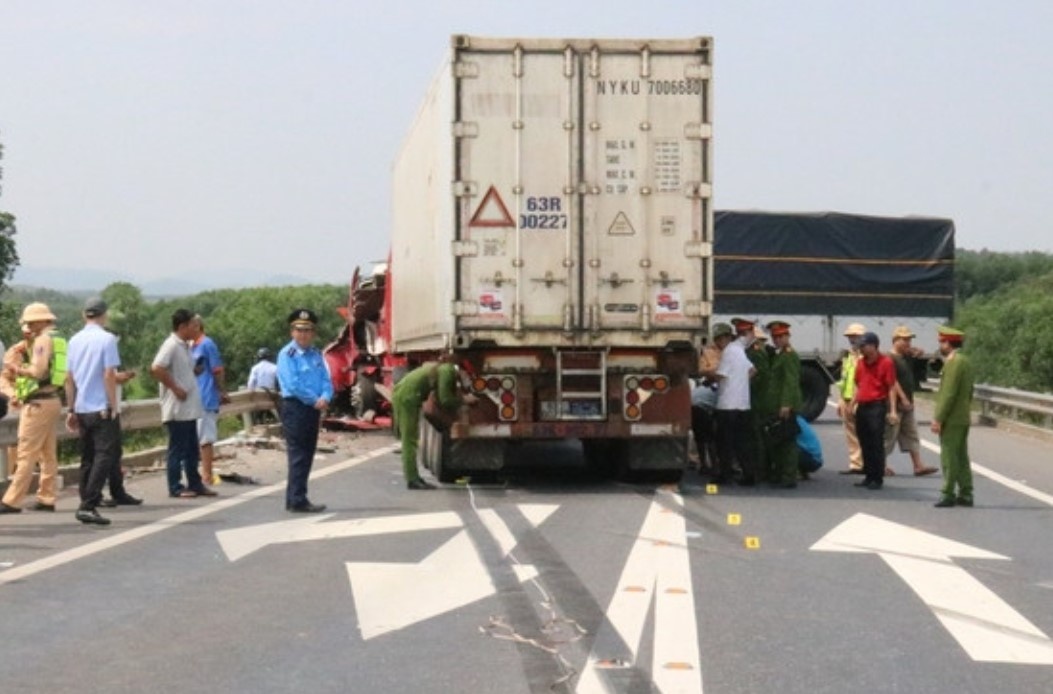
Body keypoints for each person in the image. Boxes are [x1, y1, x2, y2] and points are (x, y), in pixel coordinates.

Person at [63, 298, 126, 525]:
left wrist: (71, 408)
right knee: (104, 455)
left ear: (84, 315)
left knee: (88, 457)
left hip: (81, 407)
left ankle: (86, 499)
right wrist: (112, 404)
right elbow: (109, 374)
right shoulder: (107, 339)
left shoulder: (74, 340)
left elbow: (68, 378)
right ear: (104, 315)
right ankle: (88, 504)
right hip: (101, 407)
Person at [0, 303, 63, 515]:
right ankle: (47, 496)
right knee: (47, 452)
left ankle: (12, 501)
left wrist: (17, 369)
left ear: (41, 321)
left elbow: (37, 371)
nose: (29, 326)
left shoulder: (42, 341)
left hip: (38, 402)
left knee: (26, 452)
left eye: (31, 322)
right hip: (52, 399)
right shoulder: (57, 338)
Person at [151, 309, 216, 499]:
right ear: (182, 327)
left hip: (189, 408)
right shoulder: (171, 345)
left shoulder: (185, 346)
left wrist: (194, 371)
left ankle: (195, 483)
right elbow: (156, 368)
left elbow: (180, 371)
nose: (195, 329)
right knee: (177, 450)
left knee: (191, 449)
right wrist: (175, 388)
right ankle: (175, 486)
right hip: (177, 408)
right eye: (192, 326)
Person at [391, 356, 476, 489]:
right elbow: (445, 400)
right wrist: (464, 400)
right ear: (462, 370)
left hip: (406, 394)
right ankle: (412, 479)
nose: (467, 379)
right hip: (406, 397)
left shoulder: (444, 369)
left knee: (410, 438)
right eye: (467, 375)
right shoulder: (447, 371)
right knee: (410, 440)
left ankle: (413, 477)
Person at [277, 308, 332, 512]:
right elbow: (292, 384)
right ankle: (296, 499)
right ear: (292, 332)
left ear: (313, 332)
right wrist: (314, 399)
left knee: (307, 454)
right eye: (299, 330)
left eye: (307, 330)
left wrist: (326, 396)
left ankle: (296, 497)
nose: (303, 334)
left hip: (313, 408)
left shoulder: (316, 354)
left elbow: (326, 379)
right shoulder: (287, 354)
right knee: (298, 454)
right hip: (296, 408)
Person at [931, 327, 976, 508]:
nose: (940, 345)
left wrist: (938, 418)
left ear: (948, 343)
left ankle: (947, 493)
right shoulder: (965, 361)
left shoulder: (953, 362)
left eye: (942, 342)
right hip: (962, 416)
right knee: (961, 456)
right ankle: (966, 493)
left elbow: (948, 393)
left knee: (949, 456)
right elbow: (969, 391)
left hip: (951, 418)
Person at [884, 326, 938, 477]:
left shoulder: (906, 357)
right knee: (889, 435)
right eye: (905, 340)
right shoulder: (889, 358)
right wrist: (903, 397)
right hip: (894, 404)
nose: (908, 342)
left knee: (912, 434)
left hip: (908, 405)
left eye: (909, 339)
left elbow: (919, 356)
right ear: (896, 340)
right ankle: (881, 465)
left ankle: (918, 465)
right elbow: (892, 381)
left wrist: (917, 352)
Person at [848, 332, 898, 490]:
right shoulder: (861, 363)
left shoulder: (886, 363)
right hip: (862, 406)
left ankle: (877, 477)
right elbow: (859, 385)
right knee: (864, 442)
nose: (861, 349)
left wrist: (893, 410)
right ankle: (868, 475)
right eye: (860, 347)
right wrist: (852, 404)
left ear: (873, 345)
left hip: (877, 406)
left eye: (864, 346)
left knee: (876, 443)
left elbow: (891, 387)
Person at [712, 318, 758, 485]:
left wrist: (710, 378)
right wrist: (741, 383)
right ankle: (748, 475)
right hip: (743, 404)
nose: (717, 344)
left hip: (727, 405)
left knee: (724, 443)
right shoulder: (739, 350)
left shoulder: (730, 351)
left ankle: (725, 475)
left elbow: (721, 375)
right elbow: (753, 370)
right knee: (742, 443)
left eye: (718, 340)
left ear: (726, 338)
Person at [189, 315, 229, 484]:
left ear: (198, 326)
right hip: (194, 396)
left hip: (206, 395)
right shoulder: (191, 346)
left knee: (205, 438)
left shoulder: (207, 344)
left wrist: (221, 391)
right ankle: (198, 475)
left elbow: (217, 369)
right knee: (197, 438)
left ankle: (206, 474)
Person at [765, 321, 802, 488]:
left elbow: (790, 381)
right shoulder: (780, 354)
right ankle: (779, 473)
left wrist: (786, 404)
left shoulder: (789, 355)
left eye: (780, 336)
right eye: (774, 337)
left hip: (784, 404)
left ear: (787, 336)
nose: (777, 340)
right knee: (778, 440)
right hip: (775, 403)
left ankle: (789, 476)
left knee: (787, 442)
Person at [691, 323, 732, 473]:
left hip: (726, 395)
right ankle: (705, 464)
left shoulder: (734, 352)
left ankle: (719, 464)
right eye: (718, 338)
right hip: (708, 396)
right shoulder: (709, 352)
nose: (720, 341)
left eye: (723, 338)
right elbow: (702, 370)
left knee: (721, 434)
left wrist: (714, 371)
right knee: (703, 432)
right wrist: (717, 371)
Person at [836, 323, 866, 474]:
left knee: (865, 433)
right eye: (850, 336)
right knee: (850, 434)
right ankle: (856, 464)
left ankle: (867, 463)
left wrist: (855, 400)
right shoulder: (848, 355)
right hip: (847, 398)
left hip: (861, 399)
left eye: (855, 336)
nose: (852, 339)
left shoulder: (866, 356)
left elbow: (865, 381)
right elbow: (844, 378)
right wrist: (840, 400)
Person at [747, 325, 775, 482]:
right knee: (760, 435)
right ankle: (763, 468)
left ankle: (761, 469)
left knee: (758, 436)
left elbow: (760, 378)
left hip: (758, 400)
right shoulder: (764, 353)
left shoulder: (756, 354)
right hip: (762, 399)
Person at [247, 347, 279, 424]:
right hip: (272, 396)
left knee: (254, 416)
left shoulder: (255, 368)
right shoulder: (275, 367)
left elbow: (250, 384)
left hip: (258, 397)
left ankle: (255, 423)